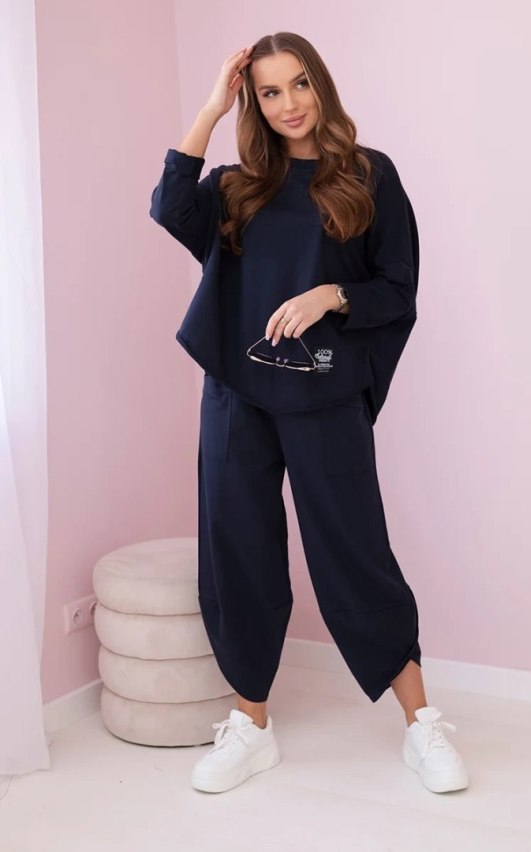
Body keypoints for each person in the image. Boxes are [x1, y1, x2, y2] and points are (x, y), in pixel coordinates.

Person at [149, 32, 469, 796]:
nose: (288, 103)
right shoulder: (236, 187)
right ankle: (251, 728)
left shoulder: (368, 175)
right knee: (237, 553)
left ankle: (422, 725)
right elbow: (168, 206)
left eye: (299, 84)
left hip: (325, 395)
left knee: (354, 551)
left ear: (319, 84)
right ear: (253, 102)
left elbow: (397, 288)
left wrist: (332, 295)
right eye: (269, 92)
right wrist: (211, 106)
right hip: (237, 394)